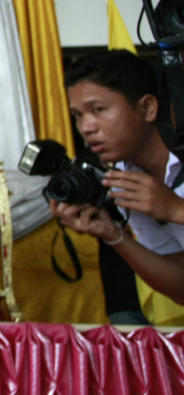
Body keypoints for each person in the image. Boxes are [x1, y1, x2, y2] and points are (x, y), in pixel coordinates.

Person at [51, 50, 184, 317]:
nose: (86, 127)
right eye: (78, 115)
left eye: (98, 109)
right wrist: (114, 235)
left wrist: (175, 210)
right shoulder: (125, 178)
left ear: (147, 108)